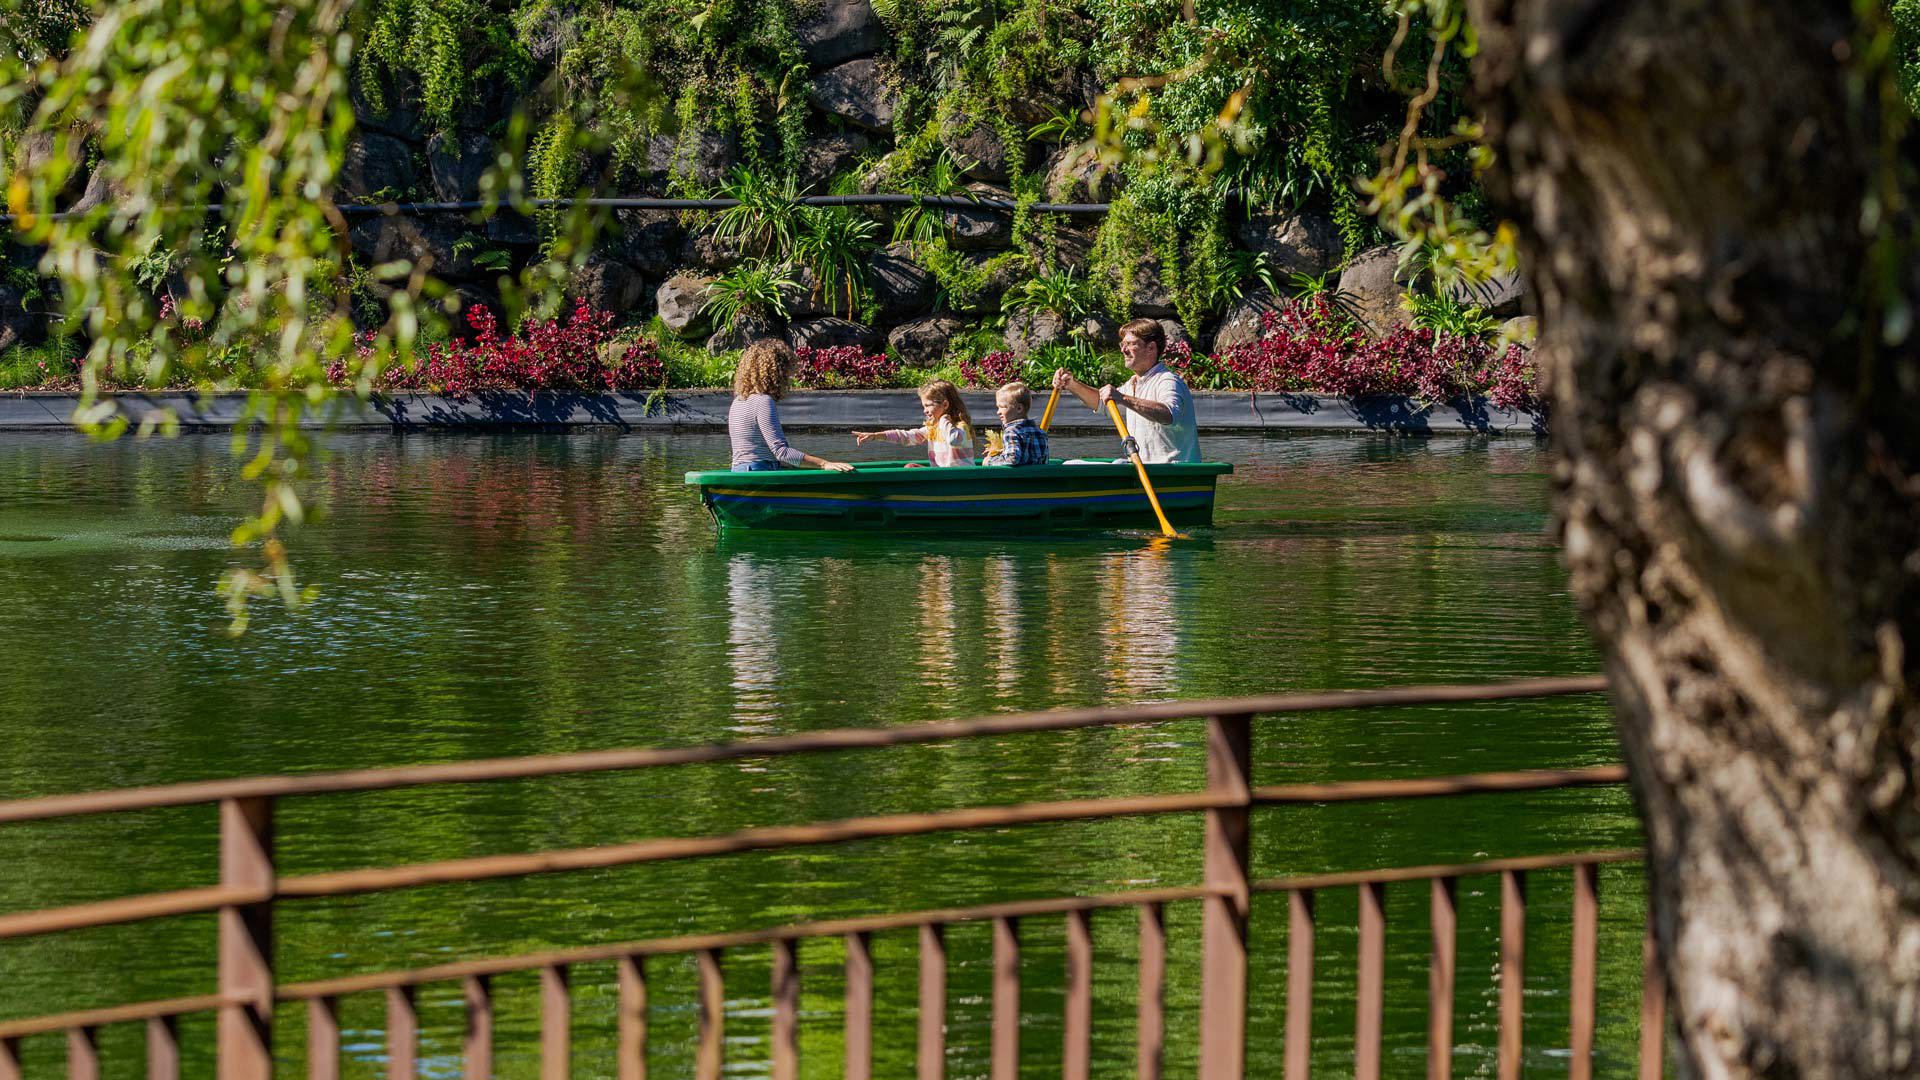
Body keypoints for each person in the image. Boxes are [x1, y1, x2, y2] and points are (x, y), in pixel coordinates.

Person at [1052, 318, 1202, 463]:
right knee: (1072, 464)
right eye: (1122, 344)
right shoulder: (1132, 384)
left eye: (1130, 344)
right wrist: (1072, 385)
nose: (1123, 350)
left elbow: (1168, 415)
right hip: (1142, 470)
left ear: (1151, 348)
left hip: (1172, 472)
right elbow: (1102, 403)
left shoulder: (1168, 381)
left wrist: (1123, 398)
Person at [729, 340, 855, 472]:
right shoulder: (763, 401)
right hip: (759, 474)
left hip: (739, 471)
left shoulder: (738, 401)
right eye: (788, 372)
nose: (790, 377)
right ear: (777, 372)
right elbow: (781, 452)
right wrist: (824, 463)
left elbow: (755, 453)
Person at [852, 379, 977, 467]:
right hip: (942, 476)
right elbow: (906, 437)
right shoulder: (932, 429)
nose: (925, 410)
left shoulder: (961, 427)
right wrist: (876, 435)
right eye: (924, 406)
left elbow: (954, 440)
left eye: (928, 405)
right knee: (910, 467)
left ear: (945, 404)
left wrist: (944, 420)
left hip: (958, 477)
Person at [981, 381, 1049, 466]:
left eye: (1002, 407)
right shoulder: (1040, 432)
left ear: (1019, 408)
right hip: (1040, 478)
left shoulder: (1011, 432)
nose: (998, 412)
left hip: (1017, 478)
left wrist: (989, 461)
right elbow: (1044, 461)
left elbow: (1012, 459)